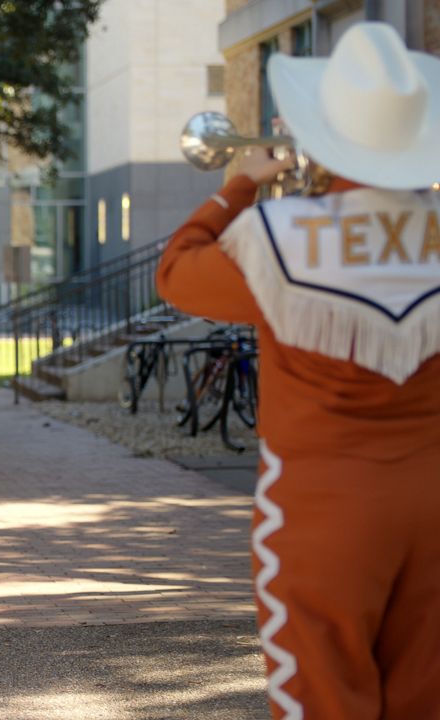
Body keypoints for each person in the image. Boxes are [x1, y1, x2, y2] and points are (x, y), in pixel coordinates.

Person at [157, 23, 440, 719]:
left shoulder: (276, 239)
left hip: (321, 512)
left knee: (322, 693)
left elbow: (175, 272)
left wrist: (241, 186)